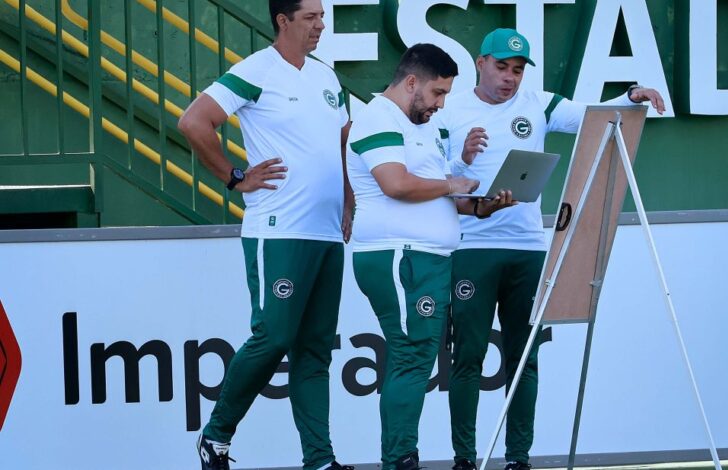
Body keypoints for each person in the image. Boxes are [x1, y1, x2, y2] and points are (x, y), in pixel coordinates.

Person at [433, 28, 666, 470]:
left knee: (525, 359)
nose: (510, 78)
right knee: (467, 357)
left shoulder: (538, 103)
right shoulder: (451, 108)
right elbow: (434, 175)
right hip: (471, 247)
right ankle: (464, 458)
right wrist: (462, 158)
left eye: (517, 70)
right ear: (480, 63)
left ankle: (518, 458)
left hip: (526, 248)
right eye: (501, 67)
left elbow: (597, 117)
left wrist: (632, 94)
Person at [177, 1, 355, 469]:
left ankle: (319, 460)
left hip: (326, 233)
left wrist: (350, 201)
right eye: (310, 17)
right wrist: (235, 176)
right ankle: (215, 438)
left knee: (314, 352)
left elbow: (341, 145)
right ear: (283, 20)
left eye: (322, 16)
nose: (321, 24)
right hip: (278, 229)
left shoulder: (326, 77)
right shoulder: (256, 69)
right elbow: (194, 122)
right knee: (274, 336)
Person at [346, 43, 516, 470]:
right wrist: (454, 185)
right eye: (438, 93)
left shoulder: (423, 125)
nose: (441, 104)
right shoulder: (376, 118)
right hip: (399, 257)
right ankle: (400, 459)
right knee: (409, 356)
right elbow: (397, 185)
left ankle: (402, 456)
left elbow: (436, 193)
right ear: (410, 83)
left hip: (425, 257)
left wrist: (480, 206)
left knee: (417, 358)